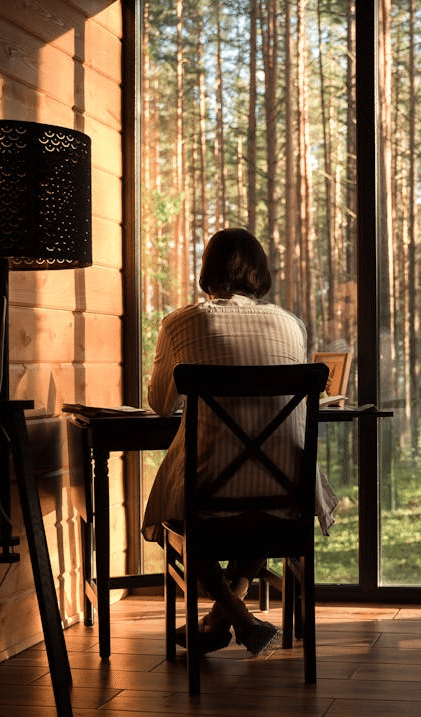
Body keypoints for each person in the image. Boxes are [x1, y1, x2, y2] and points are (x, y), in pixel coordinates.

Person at [141, 227, 337, 656]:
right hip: (287, 493)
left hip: (210, 495)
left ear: (207, 271)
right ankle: (230, 619)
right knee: (258, 514)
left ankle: (229, 616)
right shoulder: (291, 325)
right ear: (261, 273)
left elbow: (159, 405)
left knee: (189, 510)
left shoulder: (181, 323)